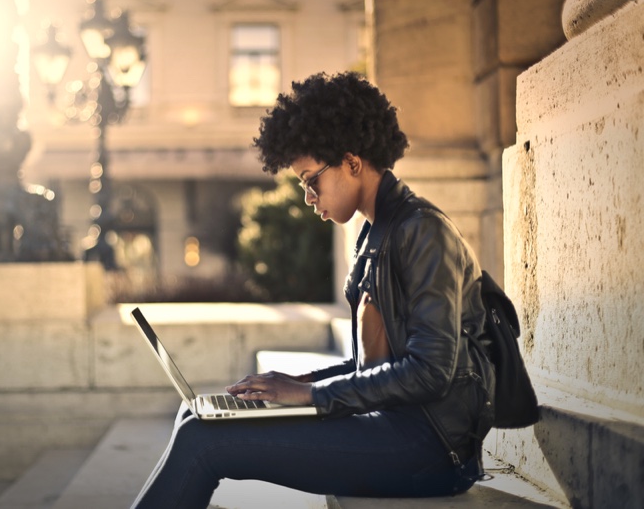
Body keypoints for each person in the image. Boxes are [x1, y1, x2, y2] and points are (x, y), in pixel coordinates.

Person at [133, 71, 495, 508]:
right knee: (195, 414)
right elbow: (373, 367)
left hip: (432, 448)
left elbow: (430, 371)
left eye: (311, 180)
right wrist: (297, 383)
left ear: (352, 162)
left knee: (203, 441)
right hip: (398, 427)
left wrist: (310, 396)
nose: (308, 197)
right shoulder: (377, 232)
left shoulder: (422, 231)